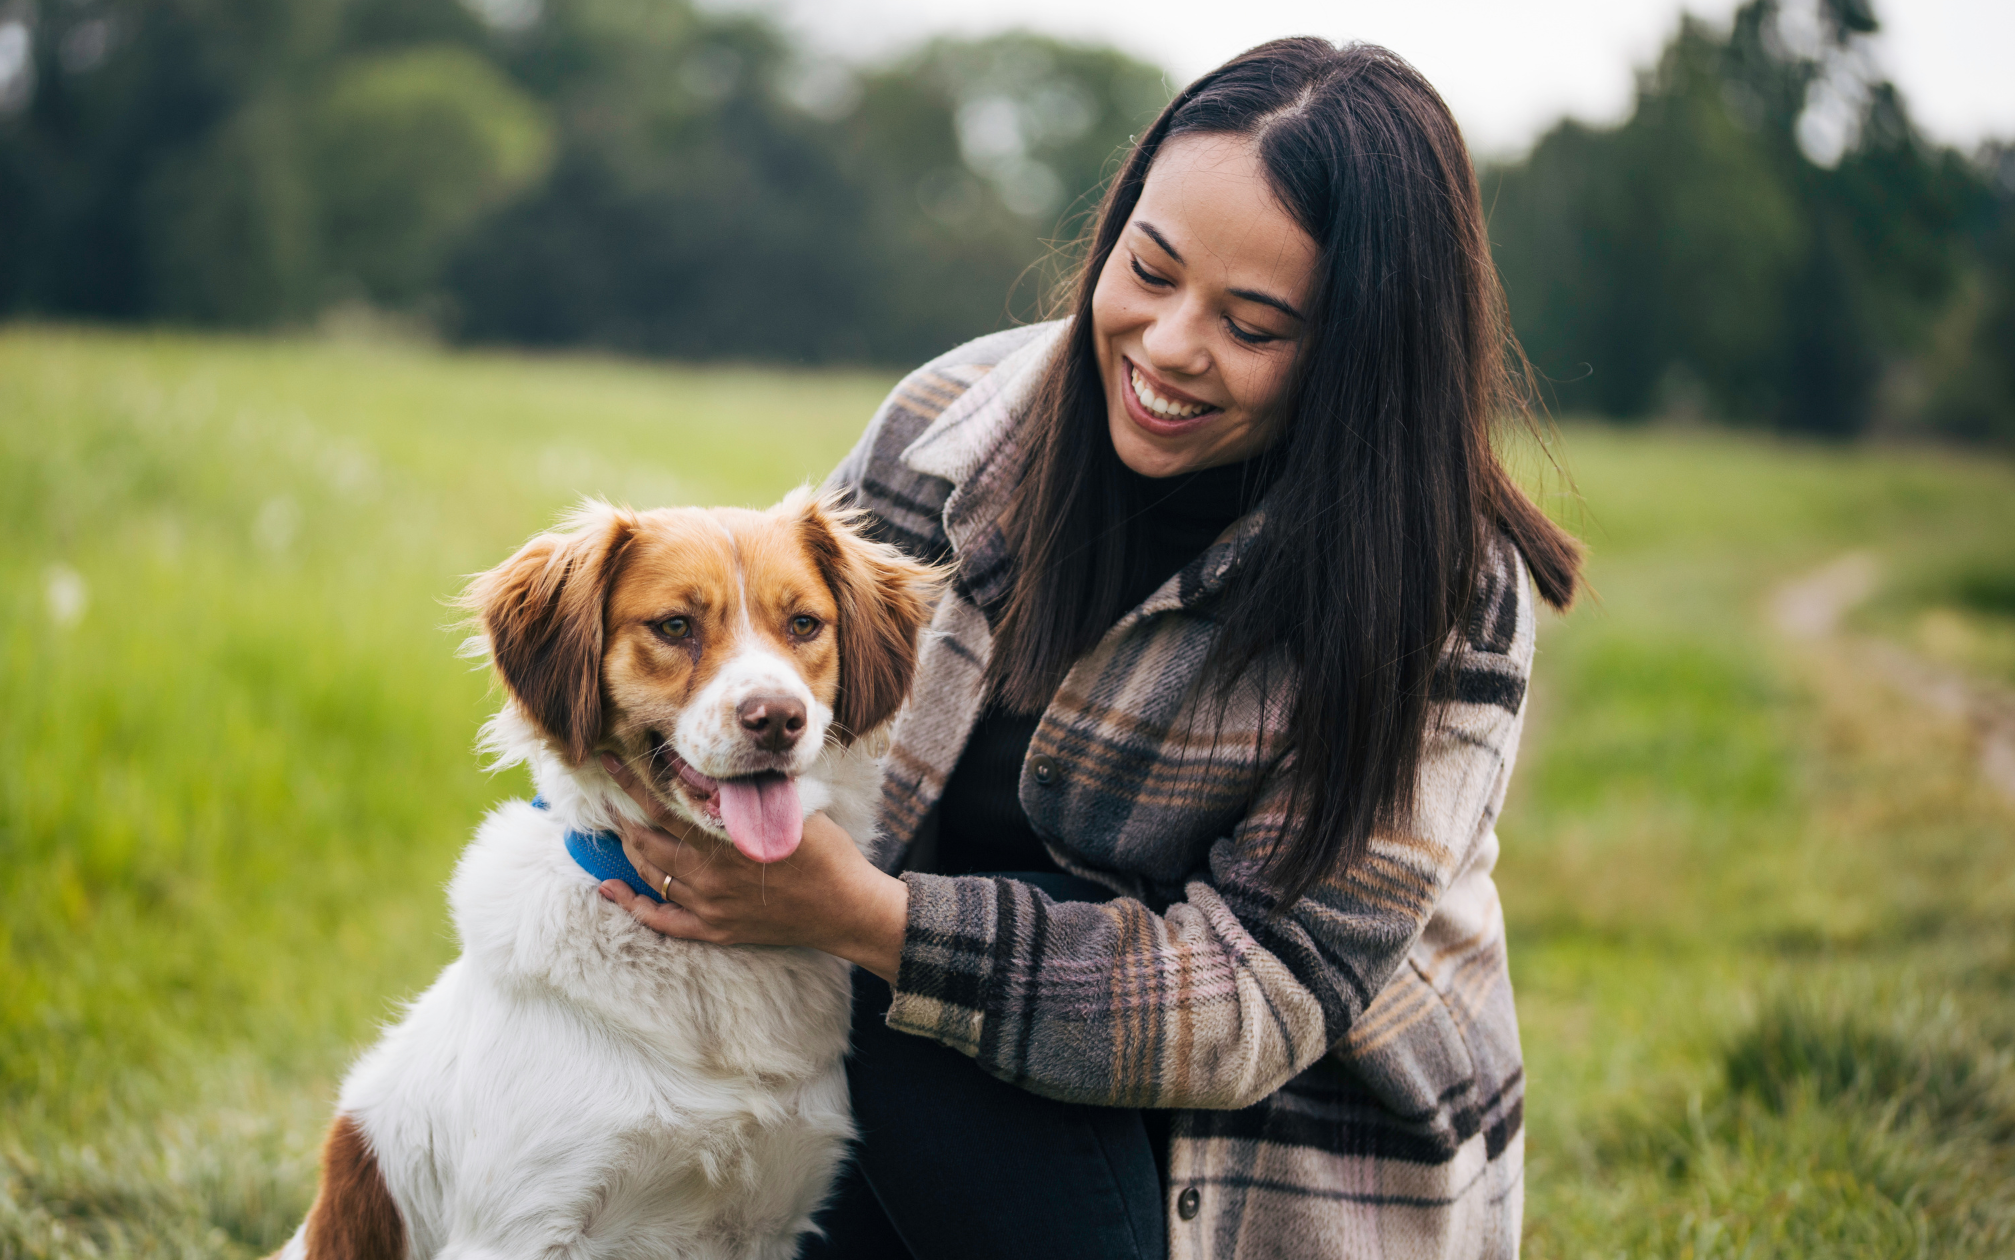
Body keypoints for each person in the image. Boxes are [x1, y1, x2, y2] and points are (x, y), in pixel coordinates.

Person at [594, 36, 1582, 1260]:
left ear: (1358, 352)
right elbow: (744, 731)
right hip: (917, 1094)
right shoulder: (942, 428)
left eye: (1254, 323)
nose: (1168, 345)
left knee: (929, 977)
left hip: (1269, 1157)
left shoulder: (1440, 588)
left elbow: (1256, 1003)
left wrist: (879, 922)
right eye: (1148, 269)